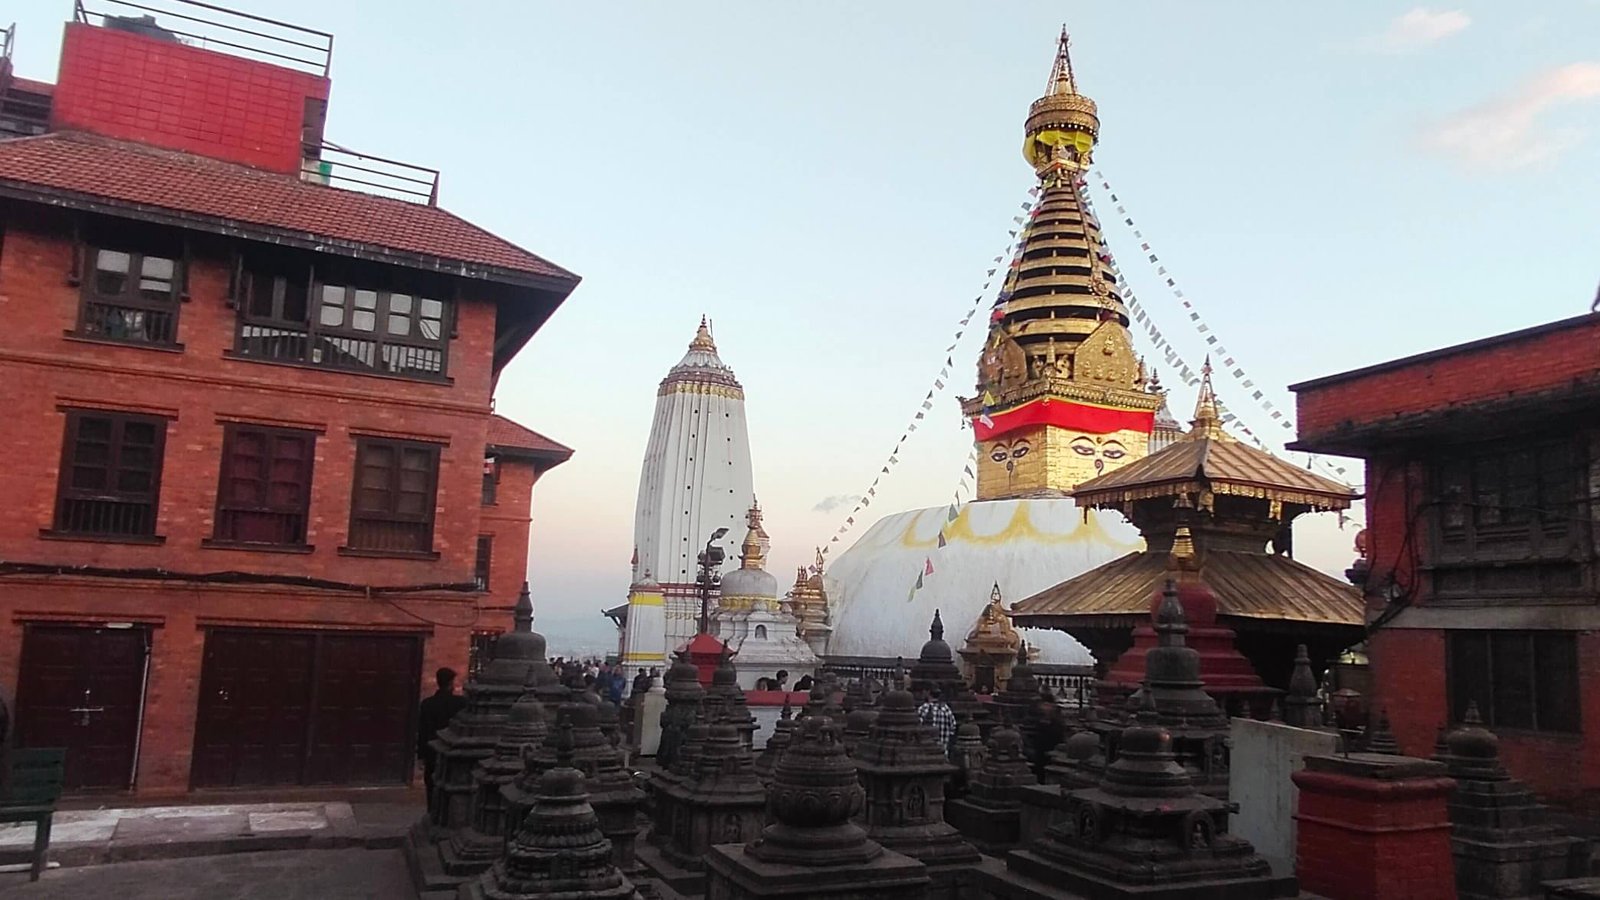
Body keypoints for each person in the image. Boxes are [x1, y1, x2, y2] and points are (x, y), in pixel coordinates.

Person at [416, 667, 467, 812]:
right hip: (453, 750)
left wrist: (421, 755)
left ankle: (432, 812)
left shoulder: (427, 704)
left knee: (432, 784)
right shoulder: (460, 703)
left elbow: (423, 730)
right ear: (451, 683)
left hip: (432, 750)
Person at [917, 686, 958, 759]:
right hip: (943, 752)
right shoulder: (947, 709)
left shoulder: (923, 709)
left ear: (928, 693)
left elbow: (917, 728)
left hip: (926, 753)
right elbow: (953, 728)